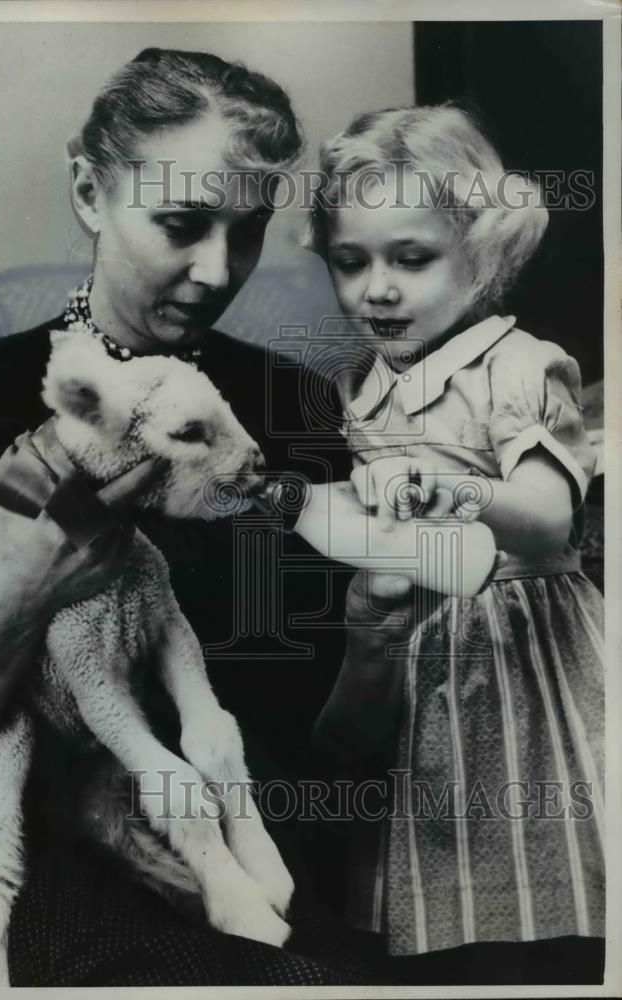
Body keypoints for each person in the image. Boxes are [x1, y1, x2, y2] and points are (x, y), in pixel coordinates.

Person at [0, 48, 437, 988]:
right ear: (92, 192)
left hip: (251, 875)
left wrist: (377, 637)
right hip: (33, 872)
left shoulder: (289, 409)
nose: (218, 270)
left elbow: (336, 758)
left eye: (249, 230)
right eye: (181, 223)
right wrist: (24, 587)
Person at [310, 104, 605, 984]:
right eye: (350, 262)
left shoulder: (518, 366)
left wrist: (462, 490)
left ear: (482, 252)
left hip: (522, 648)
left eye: (412, 258)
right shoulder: (362, 389)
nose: (378, 290)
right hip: (417, 646)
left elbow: (554, 518)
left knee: (539, 874)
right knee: (437, 898)